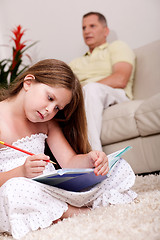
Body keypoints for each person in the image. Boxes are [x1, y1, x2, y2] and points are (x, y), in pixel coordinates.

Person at [0, 59, 137, 239]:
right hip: (16, 187)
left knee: (117, 167)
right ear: (28, 83)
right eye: (49, 98)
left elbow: (69, 162)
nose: (50, 110)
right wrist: (22, 171)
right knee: (16, 191)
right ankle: (76, 212)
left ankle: (58, 211)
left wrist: (91, 159)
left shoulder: (47, 123)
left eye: (57, 107)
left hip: (50, 188)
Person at [69, 12, 136, 151]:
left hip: (115, 95)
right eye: (84, 28)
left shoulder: (117, 47)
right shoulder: (76, 62)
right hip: (84, 97)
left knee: (92, 89)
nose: (87, 31)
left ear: (105, 31)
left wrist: (84, 89)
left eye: (92, 26)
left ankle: (94, 155)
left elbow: (120, 78)